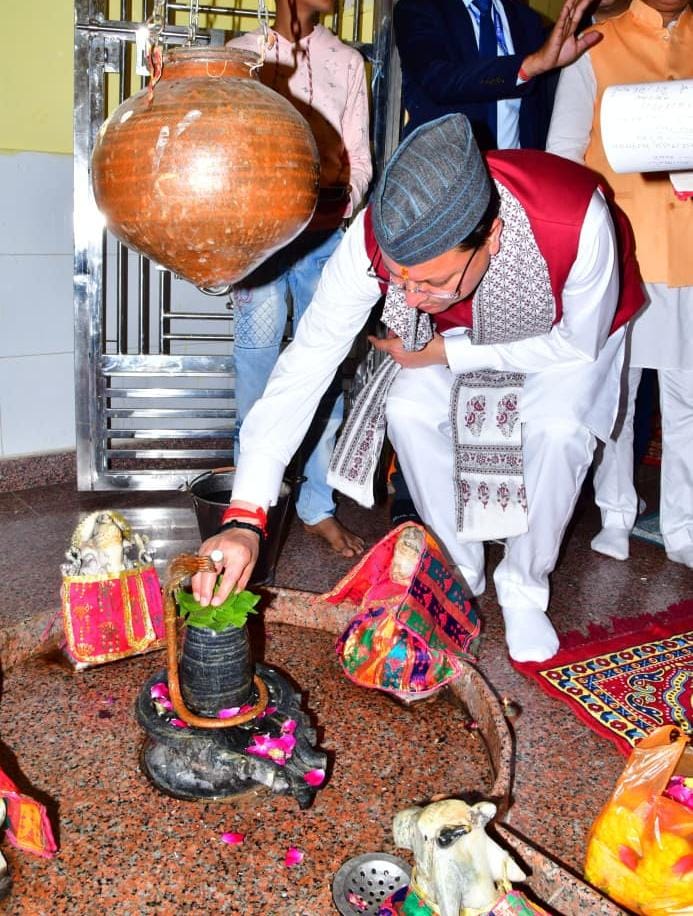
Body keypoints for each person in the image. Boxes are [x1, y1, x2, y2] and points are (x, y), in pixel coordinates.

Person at [192, 107, 643, 665]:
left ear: (492, 238)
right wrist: (244, 518)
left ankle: (525, 588)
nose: (406, 299)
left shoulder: (575, 219)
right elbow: (303, 369)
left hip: (568, 333)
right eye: (399, 281)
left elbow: (578, 344)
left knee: (559, 429)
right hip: (453, 333)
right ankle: (458, 567)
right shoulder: (375, 241)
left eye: (430, 281)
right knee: (405, 408)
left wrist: (445, 349)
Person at [546, 0, 693, 567]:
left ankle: (680, 521)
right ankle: (615, 513)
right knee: (619, 396)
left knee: (686, 398)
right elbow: (562, 154)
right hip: (622, 249)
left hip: (687, 251)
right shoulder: (598, 44)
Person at [226, 0, 372, 558]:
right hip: (260, 242)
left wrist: (336, 208)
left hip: (325, 238)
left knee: (325, 368)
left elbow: (359, 158)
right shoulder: (243, 56)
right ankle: (251, 508)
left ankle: (315, 505)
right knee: (257, 367)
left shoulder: (347, 62)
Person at [393, 0, 576, 149]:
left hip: (515, 179)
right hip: (446, 181)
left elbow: (536, 116)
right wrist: (525, 68)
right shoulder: (417, 8)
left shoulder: (527, 20)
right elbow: (439, 81)